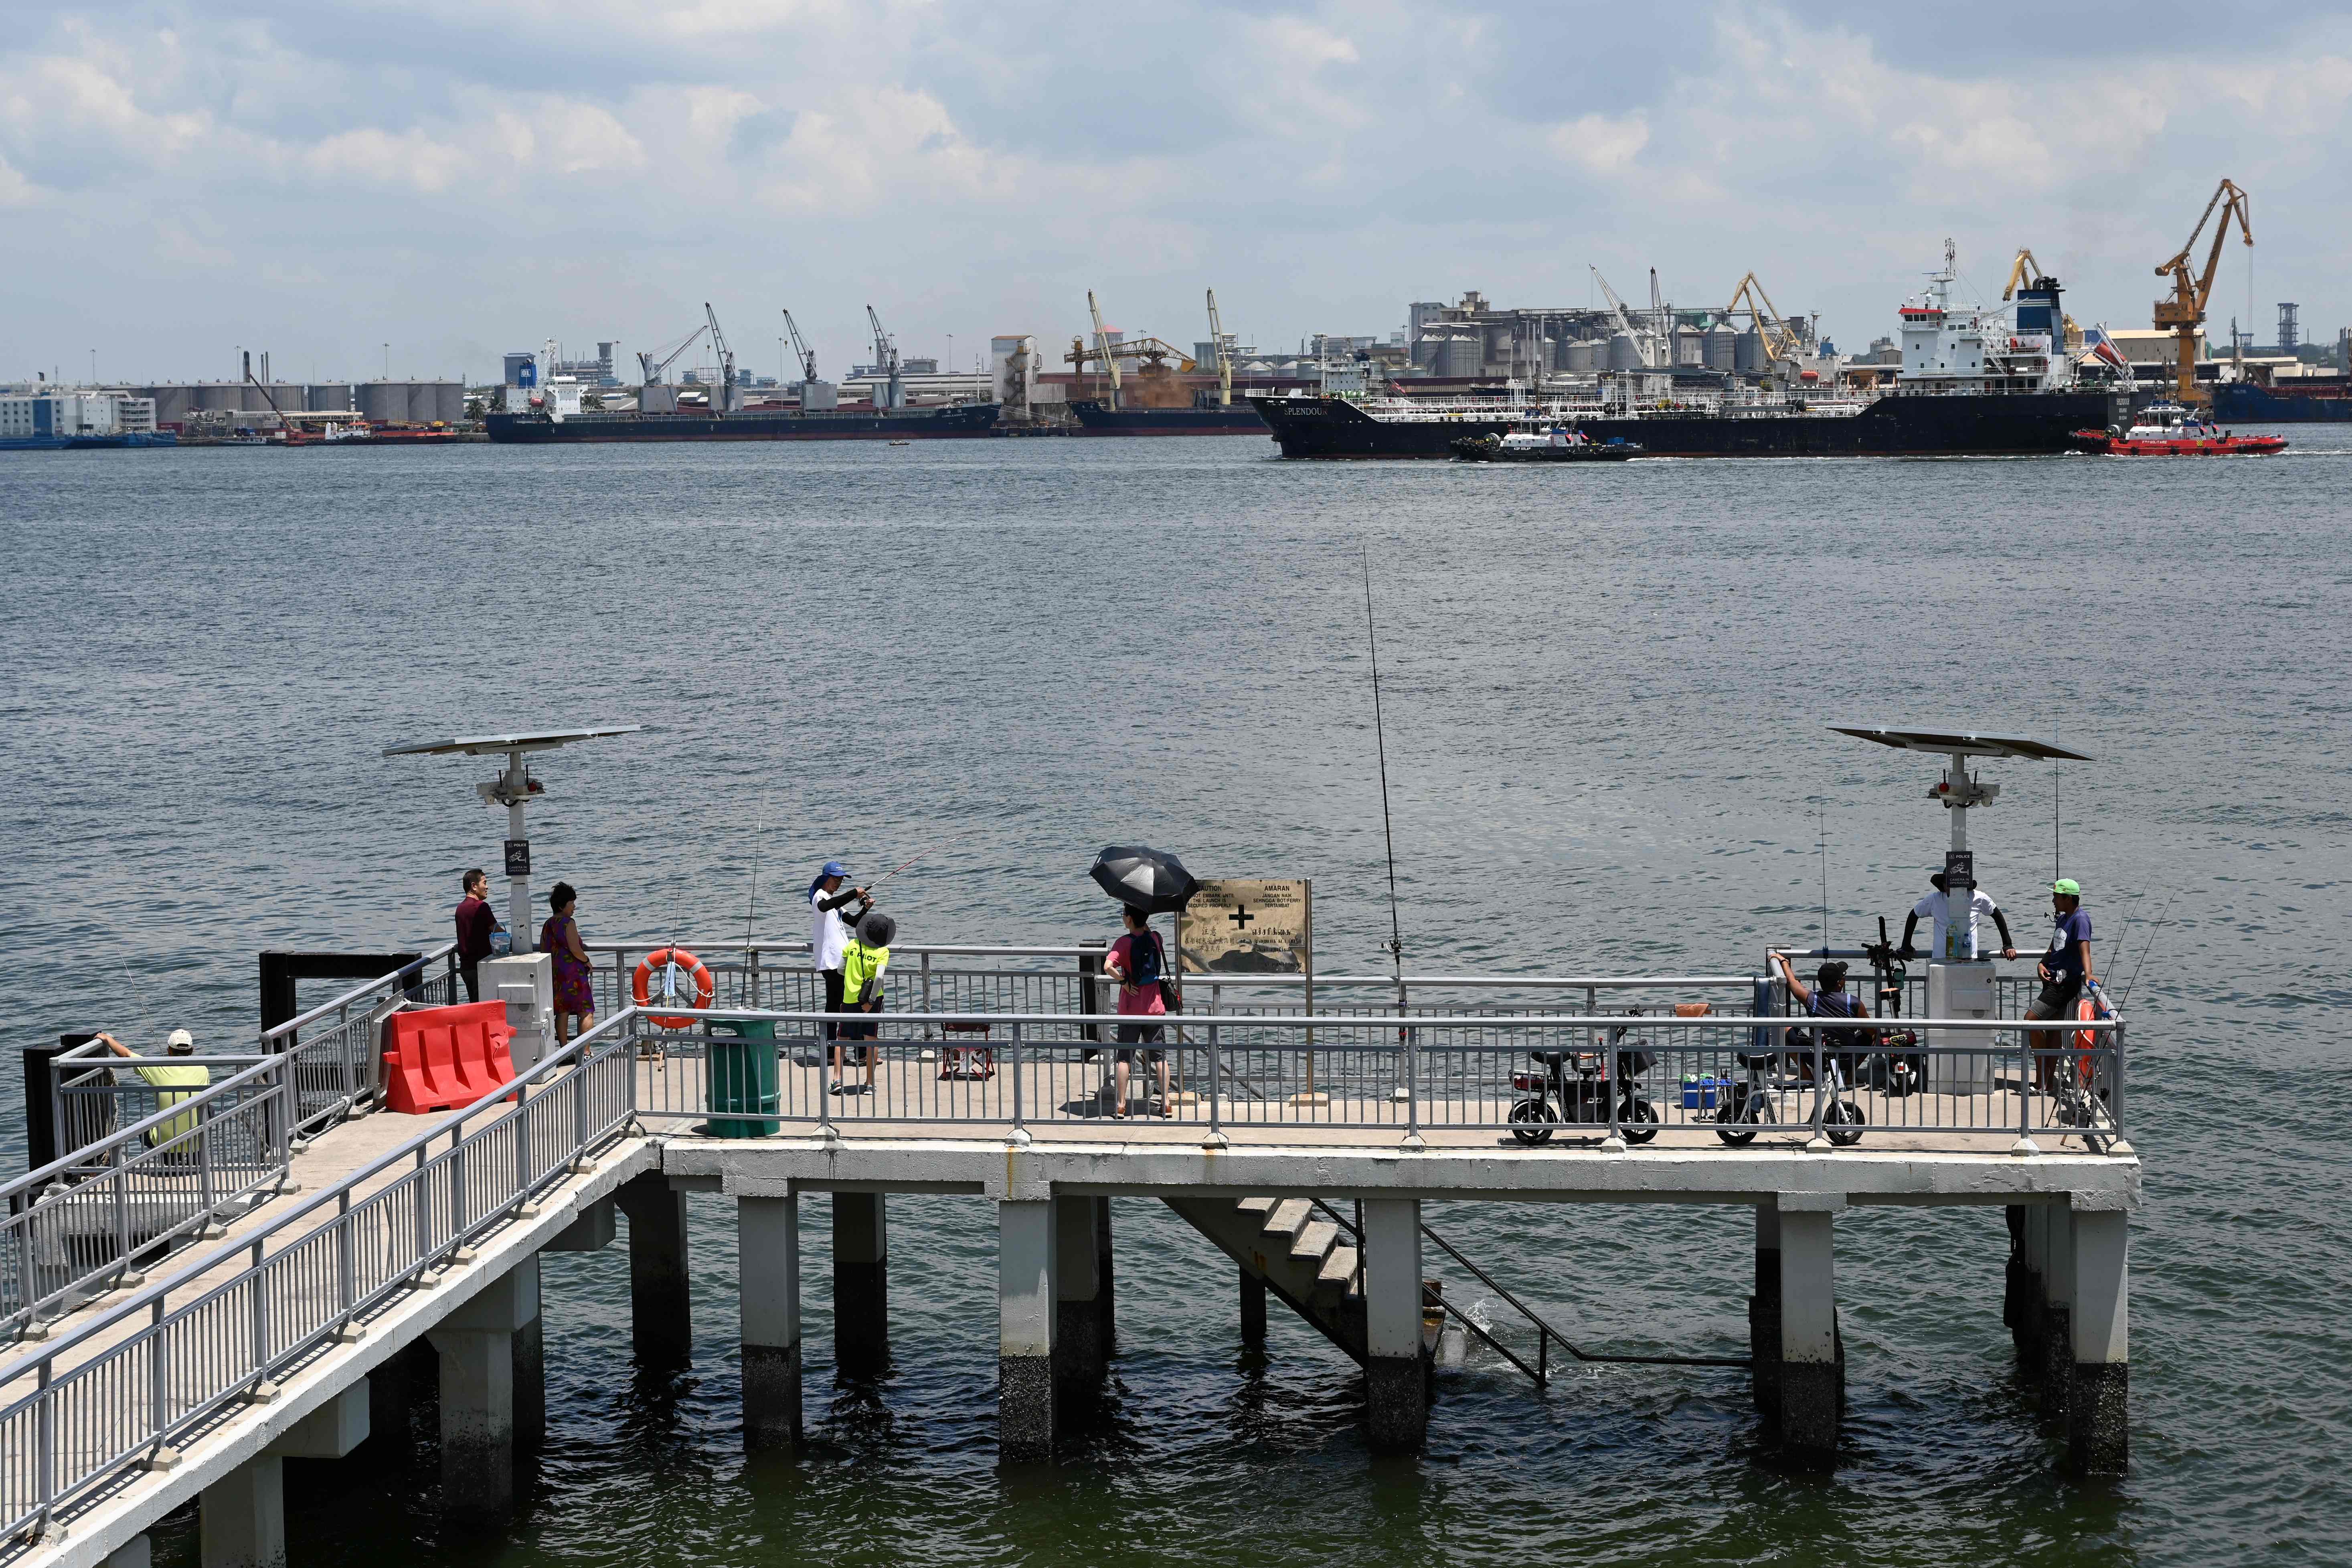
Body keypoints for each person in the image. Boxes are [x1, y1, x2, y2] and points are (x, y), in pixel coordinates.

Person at [2024, 878, 2097, 1091]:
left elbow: (2085, 948)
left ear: (2068, 898)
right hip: (2052, 981)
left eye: (2056, 896)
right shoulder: (2064, 919)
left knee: (2030, 1022)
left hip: (2064, 986)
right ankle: (2047, 1082)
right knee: (2054, 1030)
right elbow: (2053, 947)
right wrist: (2041, 964)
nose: (2053, 900)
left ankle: (2041, 1079)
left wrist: (2089, 974)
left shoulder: (2080, 920)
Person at [1105, 905, 1172, 1118]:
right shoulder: (1156, 938)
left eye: (1124, 915)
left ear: (1130, 919)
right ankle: (1167, 1103)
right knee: (1160, 1058)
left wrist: (1124, 981)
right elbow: (1148, 932)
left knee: (1124, 1058)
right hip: (1154, 1008)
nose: (1123, 918)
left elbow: (1108, 966)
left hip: (1130, 1010)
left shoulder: (1123, 943)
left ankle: (1121, 1105)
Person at [96, 1029, 210, 1149]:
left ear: (169, 1050)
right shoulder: (203, 1070)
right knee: (209, 1109)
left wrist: (108, 1039)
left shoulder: (158, 1067)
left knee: (144, 1132)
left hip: (166, 1142)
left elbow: (126, 1055)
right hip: (197, 1139)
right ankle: (197, 1164)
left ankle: (168, 1165)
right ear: (192, 1051)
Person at [1771, 952, 1872, 1083]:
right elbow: (1872, 1032)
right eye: (1843, 978)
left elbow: (1792, 981)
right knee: (1873, 1034)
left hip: (1818, 1059)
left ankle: (1807, 1075)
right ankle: (1850, 1076)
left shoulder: (1811, 999)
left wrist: (1784, 961)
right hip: (1847, 1059)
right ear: (1840, 984)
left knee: (1784, 1029)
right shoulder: (1853, 1002)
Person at [808, 861, 870, 1044]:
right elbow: (825, 907)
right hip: (832, 962)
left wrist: (865, 908)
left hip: (842, 962)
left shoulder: (836, 904)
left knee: (838, 1006)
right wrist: (853, 893)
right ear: (825, 878)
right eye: (835, 879)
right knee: (845, 1006)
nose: (838, 883)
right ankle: (850, 1050)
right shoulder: (820, 897)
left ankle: (834, 1049)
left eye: (841, 880)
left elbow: (853, 922)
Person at [833, 910, 894, 1097]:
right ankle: (869, 1083)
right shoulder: (882, 951)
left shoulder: (852, 945)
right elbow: (879, 977)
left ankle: (837, 1079)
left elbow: (841, 970)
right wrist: (871, 1001)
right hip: (873, 1001)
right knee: (871, 1040)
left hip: (850, 998)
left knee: (841, 1039)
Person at [1898, 870, 2017, 963]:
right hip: (1941, 962)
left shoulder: (1978, 898)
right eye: (1948, 884)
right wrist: (1906, 945)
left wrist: (2007, 944)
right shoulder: (1935, 900)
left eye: (1956, 884)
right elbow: (1914, 914)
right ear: (1944, 886)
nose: (1951, 887)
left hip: (1969, 961)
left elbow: (1996, 915)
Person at [538, 882, 596, 1045]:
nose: (574, 907)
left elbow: (544, 951)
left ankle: (564, 1051)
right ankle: (585, 1052)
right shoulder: (568, 923)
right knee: (586, 1012)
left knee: (562, 1013)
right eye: (571, 903)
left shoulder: (548, 924)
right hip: (574, 975)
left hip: (556, 974)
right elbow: (575, 949)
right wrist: (587, 961)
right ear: (562, 905)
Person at [454, 868, 502, 1003]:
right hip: (481, 967)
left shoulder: (460, 909)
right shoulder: (482, 907)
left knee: (474, 1004)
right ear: (474, 886)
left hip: (466, 968)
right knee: (486, 1006)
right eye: (484, 882)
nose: (487, 887)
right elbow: (499, 932)